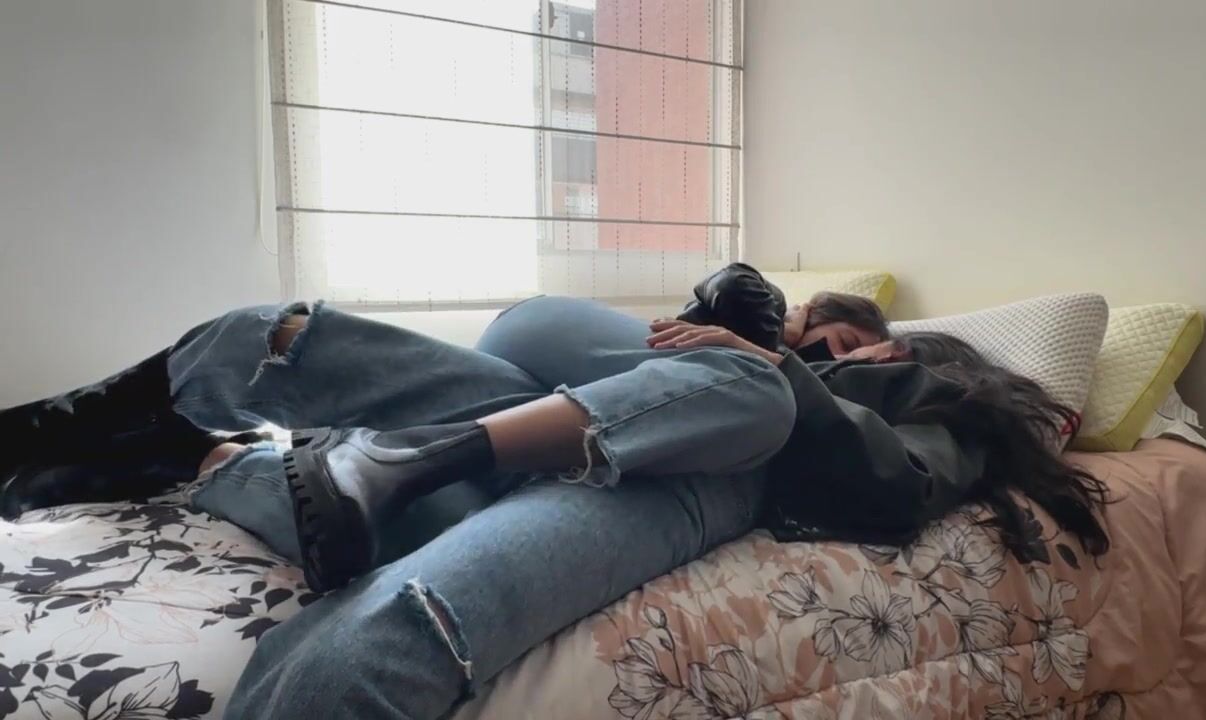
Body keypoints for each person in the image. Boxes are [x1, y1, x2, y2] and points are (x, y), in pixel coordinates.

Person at [0, 283, 1109, 719]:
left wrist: (777, 366)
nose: (824, 347)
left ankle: (225, 459)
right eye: (813, 336)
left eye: (843, 340)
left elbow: (889, 490)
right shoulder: (762, 356)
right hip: (581, 421)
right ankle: (203, 425)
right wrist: (737, 328)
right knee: (315, 332)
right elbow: (544, 336)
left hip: (702, 473)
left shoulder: (935, 402)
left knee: (745, 390)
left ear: (898, 347)